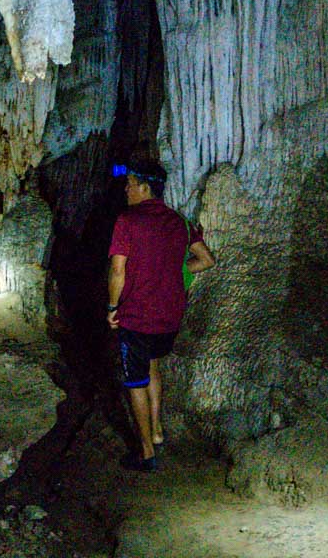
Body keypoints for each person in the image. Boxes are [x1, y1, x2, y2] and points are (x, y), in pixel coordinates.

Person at [107, 160, 216, 472]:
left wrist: (112, 308)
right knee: (153, 367)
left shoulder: (128, 220)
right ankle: (155, 432)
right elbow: (206, 260)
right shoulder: (179, 222)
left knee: (135, 381)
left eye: (129, 183)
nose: (125, 188)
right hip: (169, 316)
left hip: (136, 315)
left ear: (144, 187)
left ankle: (145, 453)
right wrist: (177, 274)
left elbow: (117, 270)